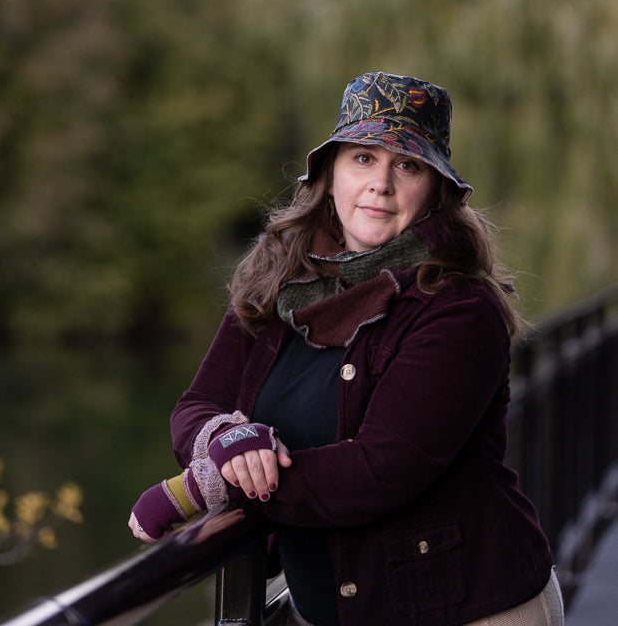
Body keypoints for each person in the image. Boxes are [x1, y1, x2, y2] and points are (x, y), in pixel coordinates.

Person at [128, 72, 563, 626]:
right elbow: (197, 405)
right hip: (330, 605)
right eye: (362, 159)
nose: (380, 184)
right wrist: (230, 440)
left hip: (466, 609)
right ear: (329, 173)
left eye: (406, 166)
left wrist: (205, 481)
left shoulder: (458, 306)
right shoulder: (277, 276)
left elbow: (381, 470)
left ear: (434, 189)